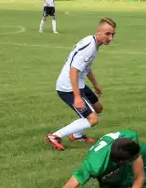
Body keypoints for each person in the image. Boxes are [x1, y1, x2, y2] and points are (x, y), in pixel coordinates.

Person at [45, 18, 117, 150]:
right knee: (93, 119)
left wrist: (95, 85)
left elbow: (86, 67)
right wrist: (77, 97)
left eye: (112, 34)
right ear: (98, 31)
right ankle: (55, 136)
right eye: (107, 34)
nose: (110, 38)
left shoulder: (93, 42)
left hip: (79, 84)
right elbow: (74, 70)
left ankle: (77, 136)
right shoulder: (89, 47)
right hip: (68, 87)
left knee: (98, 107)